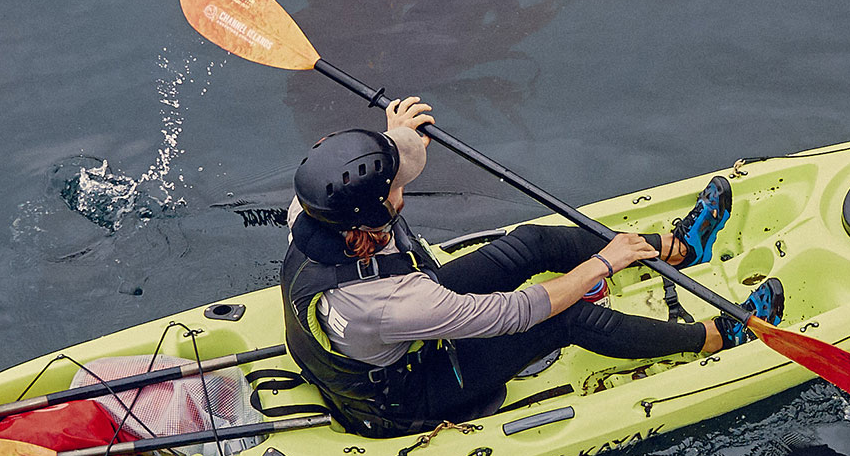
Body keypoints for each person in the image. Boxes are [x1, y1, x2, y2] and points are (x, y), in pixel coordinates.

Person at [280, 95, 784, 438]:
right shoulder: (395, 303)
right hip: (410, 394)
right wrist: (601, 264)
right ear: (371, 216)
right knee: (568, 319)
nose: (404, 188)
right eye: (396, 186)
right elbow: (516, 312)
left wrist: (395, 139)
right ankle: (716, 337)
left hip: (395, 330)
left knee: (531, 242)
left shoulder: (310, 211)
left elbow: (373, 178)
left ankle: (681, 249)